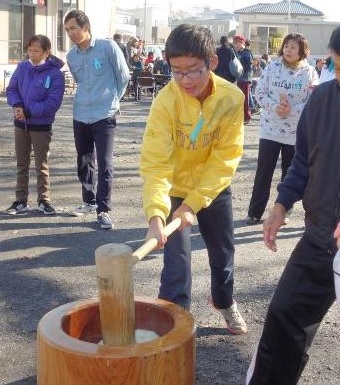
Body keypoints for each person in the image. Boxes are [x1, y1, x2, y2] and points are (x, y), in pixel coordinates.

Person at [246, 25, 340, 384]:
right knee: (284, 317)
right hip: (319, 237)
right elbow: (303, 160)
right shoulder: (322, 99)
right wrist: (281, 205)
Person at [139, 24, 247, 335]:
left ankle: (224, 301)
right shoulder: (165, 101)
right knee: (177, 264)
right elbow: (156, 161)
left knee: (223, 254)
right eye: (176, 71)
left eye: (193, 71)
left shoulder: (231, 98)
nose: (185, 80)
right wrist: (157, 213)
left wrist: (195, 203)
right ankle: (174, 329)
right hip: (173, 189)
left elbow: (225, 159)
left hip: (213, 190)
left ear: (211, 63)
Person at [64, 10, 130, 229]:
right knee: (84, 161)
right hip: (80, 113)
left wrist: (113, 102)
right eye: (67, 30)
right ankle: (88, 201)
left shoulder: (108, 47)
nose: (70, 33)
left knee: (105, 163)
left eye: (73, 28)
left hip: (104, 114)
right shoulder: (71, 56)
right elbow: (79, 81)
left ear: (86, 27)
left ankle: (103, 209)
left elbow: (124, 76)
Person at [245, 33, 319, 225]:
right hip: (270, 129)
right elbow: (259, 92)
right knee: (264, 171)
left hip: (295, 133)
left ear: (302, 50)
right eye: (286, 46)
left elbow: (314, 102)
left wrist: (292, 110)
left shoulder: (309, 72)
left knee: (290, 174)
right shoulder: (272, 67)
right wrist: (274, 106)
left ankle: (284, 212)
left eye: (293, 47)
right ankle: (255, 212)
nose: (288, 50)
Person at [5, 34, 65, 215]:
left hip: (41, 125)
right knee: (22, 164)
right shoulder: (22, 67)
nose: (32, 54)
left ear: (46, 52)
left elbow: (53, 103)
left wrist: (29, 111)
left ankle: (44, 200)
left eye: (36, 51)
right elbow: (12, 89)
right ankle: (20, 201)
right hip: (20, 124)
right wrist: (17, 105)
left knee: (42, 164)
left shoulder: (55, 74)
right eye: (29, 50)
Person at [233, 35, 253, 124]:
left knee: (245, 99)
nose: (236, 45)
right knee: (240, 98)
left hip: (245, 78)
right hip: (239, 78)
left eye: (237, 43)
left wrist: (240, 68)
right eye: (234, 43)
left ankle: (247, 117)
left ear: (242, 43)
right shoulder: (238, 53)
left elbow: (248, 66)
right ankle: (242, 116)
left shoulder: (247, 52)